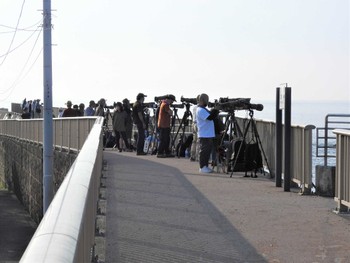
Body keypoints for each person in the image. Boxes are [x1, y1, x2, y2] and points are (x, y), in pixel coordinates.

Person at [196, 93, 219, 173]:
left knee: (207, 151)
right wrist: (216, 109)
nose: (207, 102)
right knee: (204, 151)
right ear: (203, 100)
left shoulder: (202, 109)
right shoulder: (200, 110)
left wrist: (215, 110)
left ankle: (205, 166)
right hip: (204, 134)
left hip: (207, 133)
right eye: (206, 100)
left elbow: (211, 116)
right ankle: (202, 167)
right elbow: (210, 117)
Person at [190, 95, 200, 161]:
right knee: (198, 141)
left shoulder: (194, 107)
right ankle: (197, 157)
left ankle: (192, 155)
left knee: (194, 141)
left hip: (193, 123)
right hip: (198, 124)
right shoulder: (199, 108)